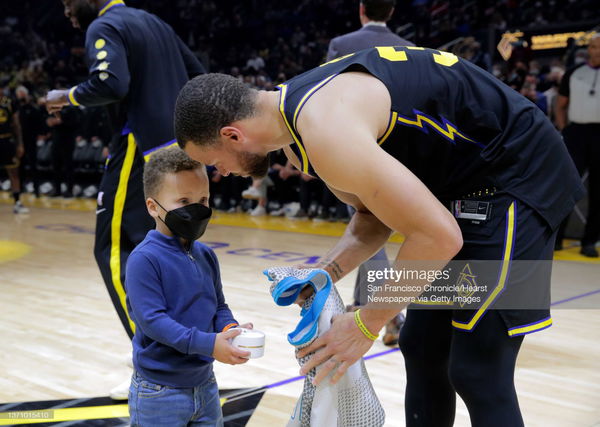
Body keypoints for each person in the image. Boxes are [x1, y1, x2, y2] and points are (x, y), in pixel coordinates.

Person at [174, 44, 584, 427]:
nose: (221, 173)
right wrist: (326, 274)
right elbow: (373, 219)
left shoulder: (325, 129)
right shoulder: (299, 130)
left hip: (519, 178)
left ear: (231, 135)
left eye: (213, 162)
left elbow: (438, 238)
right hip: (463, 186)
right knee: (422, 348)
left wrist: (365, 325)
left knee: (477, 369)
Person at [44, 0, 205, 398]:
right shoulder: (155, 21)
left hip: (142, 150)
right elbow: (200, 77)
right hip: (180, 147)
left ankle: (155, 363)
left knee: (114, 250)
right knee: (172, 253)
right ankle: (187, 350)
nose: (66, 11)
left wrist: (65, 95)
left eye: (68, 3)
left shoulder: (106, 25)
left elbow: (110, 83)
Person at [127, 148, 252, 427]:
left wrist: (229, 328)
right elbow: (153, 322)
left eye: (203, 199)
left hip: (205, 383)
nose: (196, 208)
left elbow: (218, 305)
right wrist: (209, 344)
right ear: (153, 206)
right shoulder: (144, 260)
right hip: (160, 392)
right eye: (183, 200)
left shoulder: (206, 255)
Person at [326, 0, 414, 346]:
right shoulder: (408, 49)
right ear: (391, 12)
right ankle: (366, 303)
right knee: (372, 226)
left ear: (361, 9)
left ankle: (390, 313)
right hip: (397, 148)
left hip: (353, 145)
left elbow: (326, 94)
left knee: (368, 232)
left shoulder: (342, 44)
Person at [555, 34, 600, 257]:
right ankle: (556, 238)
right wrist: (564, 129)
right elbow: (561, 103)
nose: (597, 50)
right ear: (588, 49)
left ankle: (589, 242)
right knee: (567, 187)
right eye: (593, 46)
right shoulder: (573, 72)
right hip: (576, 132)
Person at [0, 80, 29, 214]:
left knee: (13, 172)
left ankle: (17, 202)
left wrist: (20, 144)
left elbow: (17, 125)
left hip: (6, 140)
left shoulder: (10, 102)